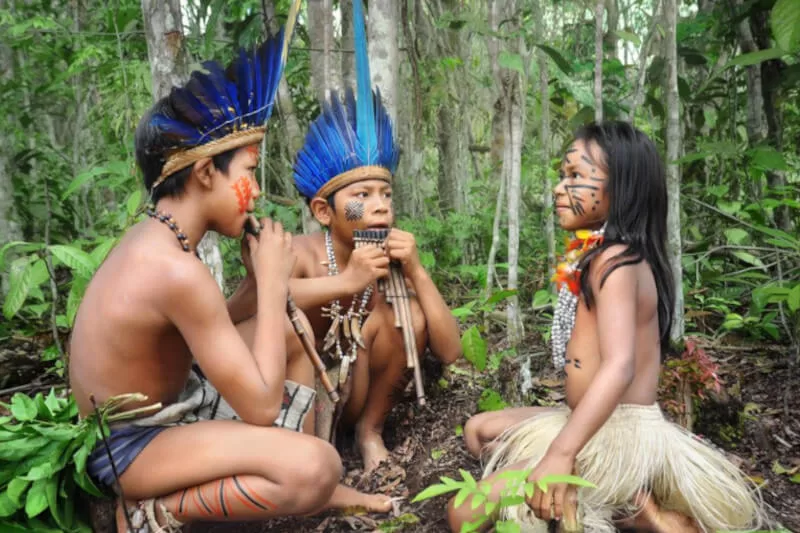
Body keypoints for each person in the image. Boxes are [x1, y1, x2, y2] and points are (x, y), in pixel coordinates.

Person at [68, 19, 383, 533]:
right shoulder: (174, 268)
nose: (256, 191)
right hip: (129, 448)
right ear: (205, 173)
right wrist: (276, 282)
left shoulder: (159, 240)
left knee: (279, 330)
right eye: (250, 171)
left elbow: (206, 325)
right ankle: (153, 512)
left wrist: (258, 288)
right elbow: (260, 406)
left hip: (161, 417)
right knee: (314, 466)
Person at [447, 122, 765, 533]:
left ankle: (639, 510)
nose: (560, 188)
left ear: (622, 188)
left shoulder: (614, 261)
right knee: (479, 431)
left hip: (618, 431)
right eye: (563, 175)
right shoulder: (609, 254)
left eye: (576, 176)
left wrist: (561, 452)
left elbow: (619, 367)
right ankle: (627, 500)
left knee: (461, 515)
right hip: (589, 418)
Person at [284, 0, 462, 473]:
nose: (380, 204)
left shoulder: (392, 258)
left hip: (357, 393)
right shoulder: (301, 253)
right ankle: (308, 456)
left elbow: (451, 353)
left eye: (386, 192)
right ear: (324, 210)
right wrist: (345, 283)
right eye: (362, 194)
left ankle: (369, 432)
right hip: (300, 399)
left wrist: (418, 271)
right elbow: (263, 303)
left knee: (409, 316)